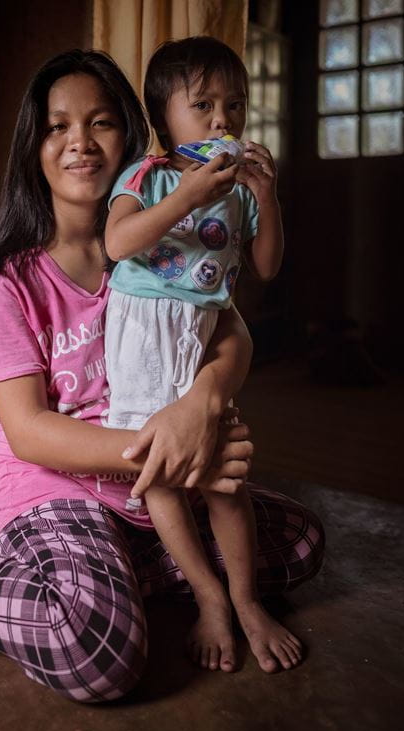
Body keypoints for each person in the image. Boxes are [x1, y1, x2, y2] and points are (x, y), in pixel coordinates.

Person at [0, 49, 324, 702]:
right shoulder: (5, 281)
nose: (80, 141)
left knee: (302, 543)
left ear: (134, 138)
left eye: (101, 122)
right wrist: (172, 449)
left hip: (156, 479)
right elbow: (28, 433)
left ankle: (123, 571)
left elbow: (232, 332)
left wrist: (203, 409)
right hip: (59, 484)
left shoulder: (161, 244)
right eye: (57, 126)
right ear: (34, 148)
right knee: (92, 649)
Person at [102, 36, 295, 674]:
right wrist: (182, 198)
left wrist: (265, 198)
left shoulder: (240, 192)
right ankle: (209, 597)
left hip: (204, 332)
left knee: (222, 473)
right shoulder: (146, 175)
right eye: (204, 105)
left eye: (235, 107)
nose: (223, 121)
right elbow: (117, 242)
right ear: (164, 120)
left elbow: (265, 268)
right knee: (157, 471)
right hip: (144, 333)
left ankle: (243, 600)